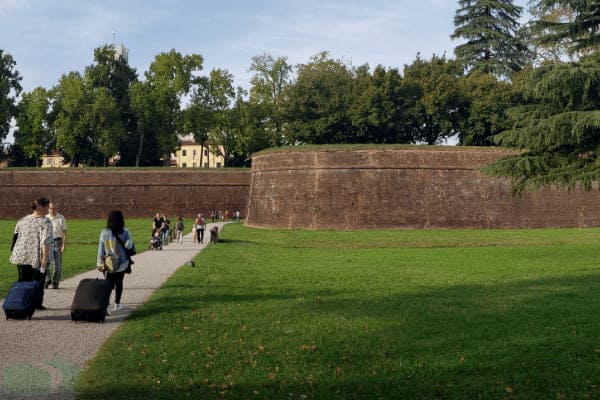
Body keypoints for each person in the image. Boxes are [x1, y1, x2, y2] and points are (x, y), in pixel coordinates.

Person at [9, 197, 53, 310]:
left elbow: (15, 235)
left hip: (20, 254)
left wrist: (13, 250)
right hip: (36, 256)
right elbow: (45, 241)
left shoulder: (23, 219)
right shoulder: (45, 221)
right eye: (47, 207)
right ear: (40, 207)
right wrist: (44, 258)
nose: (49, 210)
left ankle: (19, 302)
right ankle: (36, 304)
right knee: (38, 281)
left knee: (23, 280)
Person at [97, 210, 135, 313]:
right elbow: (129, 245)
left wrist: (100, 263)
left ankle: (107, 306)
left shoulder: (104, 232)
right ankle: (117, 304)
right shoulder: (125, 231)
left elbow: (100, 250)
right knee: (119, 283)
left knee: (108, 284)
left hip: (109, 263)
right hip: (122, 263)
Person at [45, 201, 67, 289]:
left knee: (58, 264)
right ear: (48, 209)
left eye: (54, 208)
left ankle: (55, 281)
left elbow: (64, 233)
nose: (52, 210)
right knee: (45, 262)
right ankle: (47, 279)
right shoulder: (45, 218)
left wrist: (64, 245)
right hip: (47, 242)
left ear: (56, 209)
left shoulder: (61, 218)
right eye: (50, 208)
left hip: (58, 241)